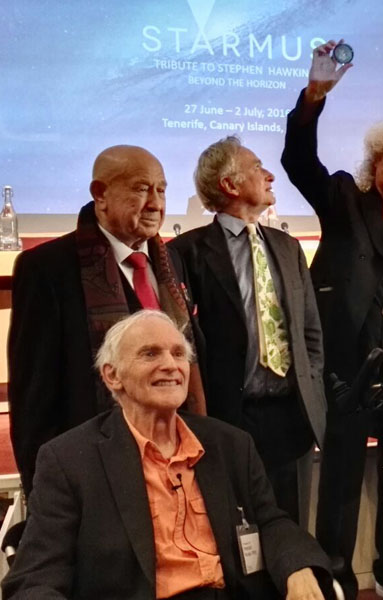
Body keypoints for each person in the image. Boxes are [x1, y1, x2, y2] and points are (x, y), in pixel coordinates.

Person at [2, 311, 331, 600]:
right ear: (112, 375)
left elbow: (270, 521)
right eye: (150, 354)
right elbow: (35, 578)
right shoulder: (69, 460)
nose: (171, 365)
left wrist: (297, 567)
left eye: (178, 354)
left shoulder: (230, 444)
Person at [281, 40, 383, 599]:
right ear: (377, 161)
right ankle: (336, 576)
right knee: (343, 478)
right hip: (349, 365)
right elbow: (299, 163)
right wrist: (314, 97)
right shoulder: (346, 196)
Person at [8, 145, 205, 496]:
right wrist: (43, 491)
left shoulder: (171, 260)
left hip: (177, 461)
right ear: (100, 194)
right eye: (141, 188)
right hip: (93, 471)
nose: (156, 203)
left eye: (161, 190)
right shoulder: (48, 268)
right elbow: (34, 394)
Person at [169, 137, 326, 526]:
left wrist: (312, 386)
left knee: (289, 526)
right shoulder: (186, 252)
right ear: (230, 185)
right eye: (258, 167)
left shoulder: (288, 247)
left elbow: (310, 332)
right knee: (235, 528)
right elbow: (185, 341)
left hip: (290, 416)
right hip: (228, 417)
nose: (270, 175)